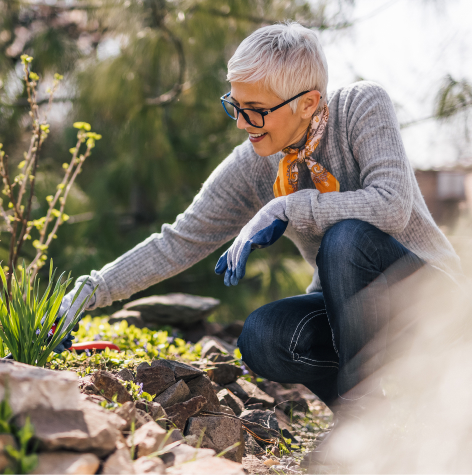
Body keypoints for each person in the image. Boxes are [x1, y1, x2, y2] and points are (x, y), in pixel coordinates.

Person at [58, 22, 462, 422]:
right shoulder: (254, 163)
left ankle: (359, 423)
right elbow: (179, 240)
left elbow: (391, 205)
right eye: (235, 106)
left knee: (346, 238)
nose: (240, 124)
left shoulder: (361, 105)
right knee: (262, 337)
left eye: (256, 111)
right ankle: (383, 426)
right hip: (353, 320)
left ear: (307, 103)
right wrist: (91, 292)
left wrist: (287, 206)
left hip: (432, 303)